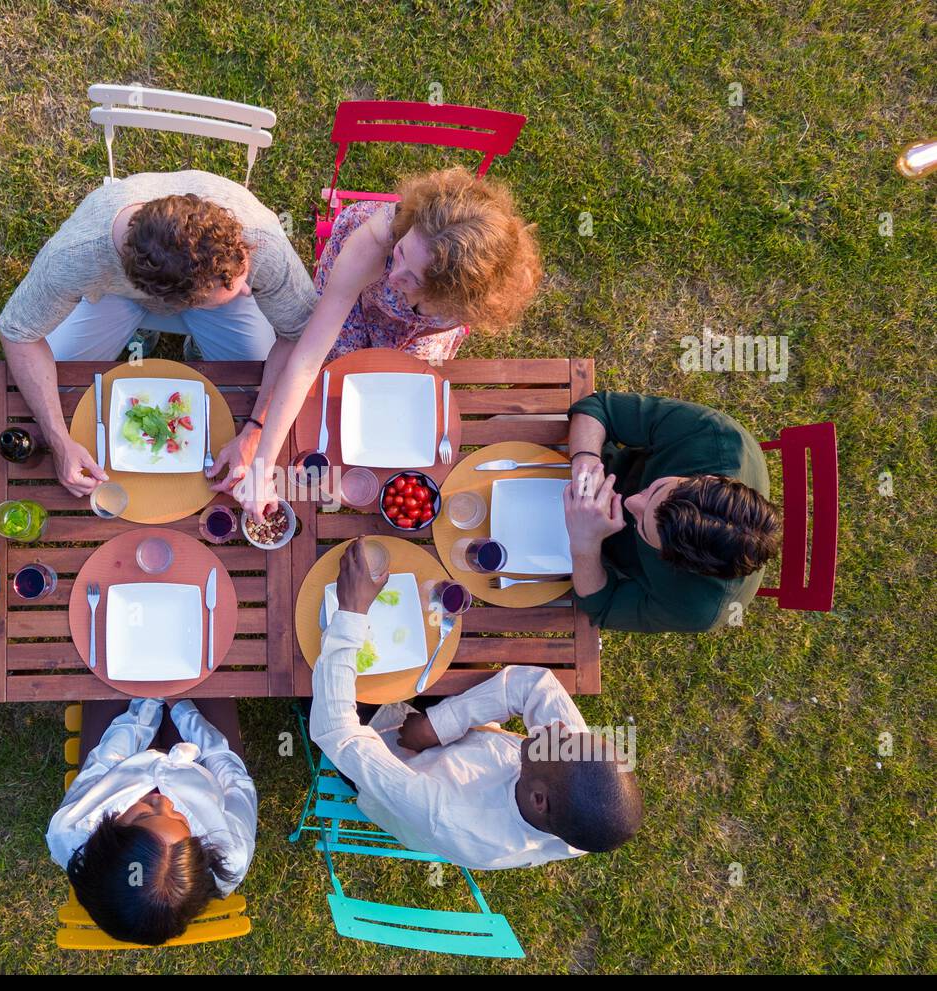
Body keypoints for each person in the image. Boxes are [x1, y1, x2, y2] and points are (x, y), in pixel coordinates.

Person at [210, 167, 542, 520]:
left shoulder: (473, 294)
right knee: (335, 371)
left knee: (403, 390)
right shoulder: (372, 246)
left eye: (413, 278)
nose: (394, 276)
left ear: (453, 295)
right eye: (401, 254)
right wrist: (263, 466)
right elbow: (307, 359)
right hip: (355, 297)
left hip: (421, 325)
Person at [308, 538, 642, 870]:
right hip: (464, 737)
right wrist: (438, 725)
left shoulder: (448, 816)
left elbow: (337, 731)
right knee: (454, 638)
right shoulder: (575, 789)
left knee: (312, 673)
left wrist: (351, 611)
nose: (558, 726)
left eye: (562, 739)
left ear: (538, 800)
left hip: (398, 765)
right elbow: (535, 685)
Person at [0, 170, 318, 498]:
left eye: (244, 279)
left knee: (252, 384)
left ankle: (196, 342)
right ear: (170, 302)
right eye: (237, 288)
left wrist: (255, 431)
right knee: (60, 383)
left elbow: (299, 335)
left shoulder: (260, 245)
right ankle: (143, 334)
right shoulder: (76, 256)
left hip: (194, 293)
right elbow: (18, 332)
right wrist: (58, 440)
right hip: (115, 294)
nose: (250, 291)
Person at [563, 391, 782, 632]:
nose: (630, 502)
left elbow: (602, 607)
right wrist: (586, 465)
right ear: (704, 478)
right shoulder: (713, 434)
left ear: (676, 564)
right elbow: (598, 407)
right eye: (655, 489)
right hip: (587, 468)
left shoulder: (698, 609)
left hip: (589, 561)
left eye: (642, 527)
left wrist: (585, 545)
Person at [46, 697, 256, 946]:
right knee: (213, 678)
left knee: (111, 681)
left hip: (122, 766)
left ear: (107, 834)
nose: (164, 802)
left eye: (145, 814)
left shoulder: (75, 828)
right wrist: (183, 710)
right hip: (200, 766)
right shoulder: (229, 853)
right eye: (180, 820)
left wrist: (146, 699)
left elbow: (105, 760)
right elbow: (234, 781)